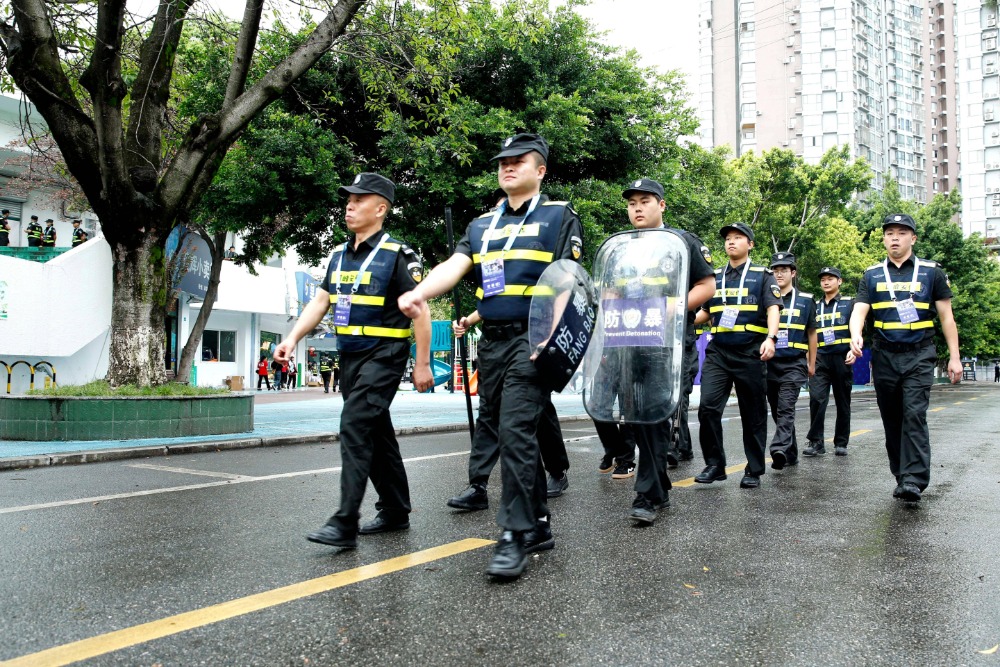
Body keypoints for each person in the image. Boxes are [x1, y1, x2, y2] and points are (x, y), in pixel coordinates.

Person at [398, 133, 583, 579]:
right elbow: (455, 265)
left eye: (519, 161)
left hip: (532, 340)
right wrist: (420, 293)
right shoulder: (482, 225)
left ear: (541, 170)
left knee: (516, 431)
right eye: (503, 162)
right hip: (493, 343)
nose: (508, 167)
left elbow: (570, 280)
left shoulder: (560, 216)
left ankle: (514, 534)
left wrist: (551, 345)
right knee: (510, 430)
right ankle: (538, 524)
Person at [276, 171, 432, 550]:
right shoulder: (337, 256)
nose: (349, 206)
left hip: (385, 355)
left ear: (380, 209)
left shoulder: (398, 255)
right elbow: (321, 302)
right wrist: (292, 338)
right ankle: (395, 509)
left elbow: (421, 310)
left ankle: (345, 521)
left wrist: (422, 363)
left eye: (359, 200)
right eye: (348, 200)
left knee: (355, 425)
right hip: (350, 357)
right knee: (375, 432)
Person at [614, 178, 716, 524]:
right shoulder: (622, 247)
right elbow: (613, 290)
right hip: (628, 341)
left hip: (667, 345)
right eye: (632, 203)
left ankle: (646, 495)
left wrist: (674, 307)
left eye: (645, 201)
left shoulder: (681, 242)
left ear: (661, 205)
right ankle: (659, 486)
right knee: (634, 416)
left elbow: (707, 285)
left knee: (656, 416)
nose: (637, 208)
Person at [849, 213, 962, 502]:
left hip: (919, 354)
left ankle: (914, 479)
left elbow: (946, 318)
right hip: (884, 355)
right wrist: (856, 334)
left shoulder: (931, 272)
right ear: (884, 239)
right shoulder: (871, 274)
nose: (895, 238)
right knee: (892, 417)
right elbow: (860, 310)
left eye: (901, 233)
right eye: (890, 233)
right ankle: (902, 474)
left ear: (913, 238)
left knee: (914, 414)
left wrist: (955, 357)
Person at [447, 310, 572, 508]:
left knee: (535, 410)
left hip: (527, 338)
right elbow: (490, 301)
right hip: (493, 342)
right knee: (488, 410)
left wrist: (550, 337)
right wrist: (467, 321)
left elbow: (557, 299)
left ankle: (557, 471)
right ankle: (478, 485)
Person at [693, 222, 782, 489]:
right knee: (708, 407)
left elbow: (773, 308)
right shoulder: (714, 276)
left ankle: (753, 468)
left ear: (750, 244)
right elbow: (706, 312)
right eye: (728, 238)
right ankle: (715, 465)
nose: (731, 242)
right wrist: (680, 319)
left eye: (738, 237)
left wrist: (771, 338)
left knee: (753, 413)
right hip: (719, 351)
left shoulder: (763, 275)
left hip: (750, 351)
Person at [765, 252, 817, 471]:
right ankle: (791, 452)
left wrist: (812, 363)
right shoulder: (766, 296)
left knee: (786, 407)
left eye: (784, 270)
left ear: (793, 273)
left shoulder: (806, 300)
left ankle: (779, 448)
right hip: (769, 363)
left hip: (794, 363)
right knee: (777, 408)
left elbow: (812, 333)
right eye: (775, 270)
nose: (779, 274)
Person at [804, 266, 857, 457]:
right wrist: (808, 358)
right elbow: (808, 332)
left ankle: (841, 442)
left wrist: (853, 350)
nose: (826, 282)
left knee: (843, 401)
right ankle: (816, 442)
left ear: (839, 281)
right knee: (817, 398)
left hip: (842, 358)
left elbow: (858, 329)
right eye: (823, 279)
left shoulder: (850, 303)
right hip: (820, 358)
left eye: (830, 279)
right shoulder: (814, 305)